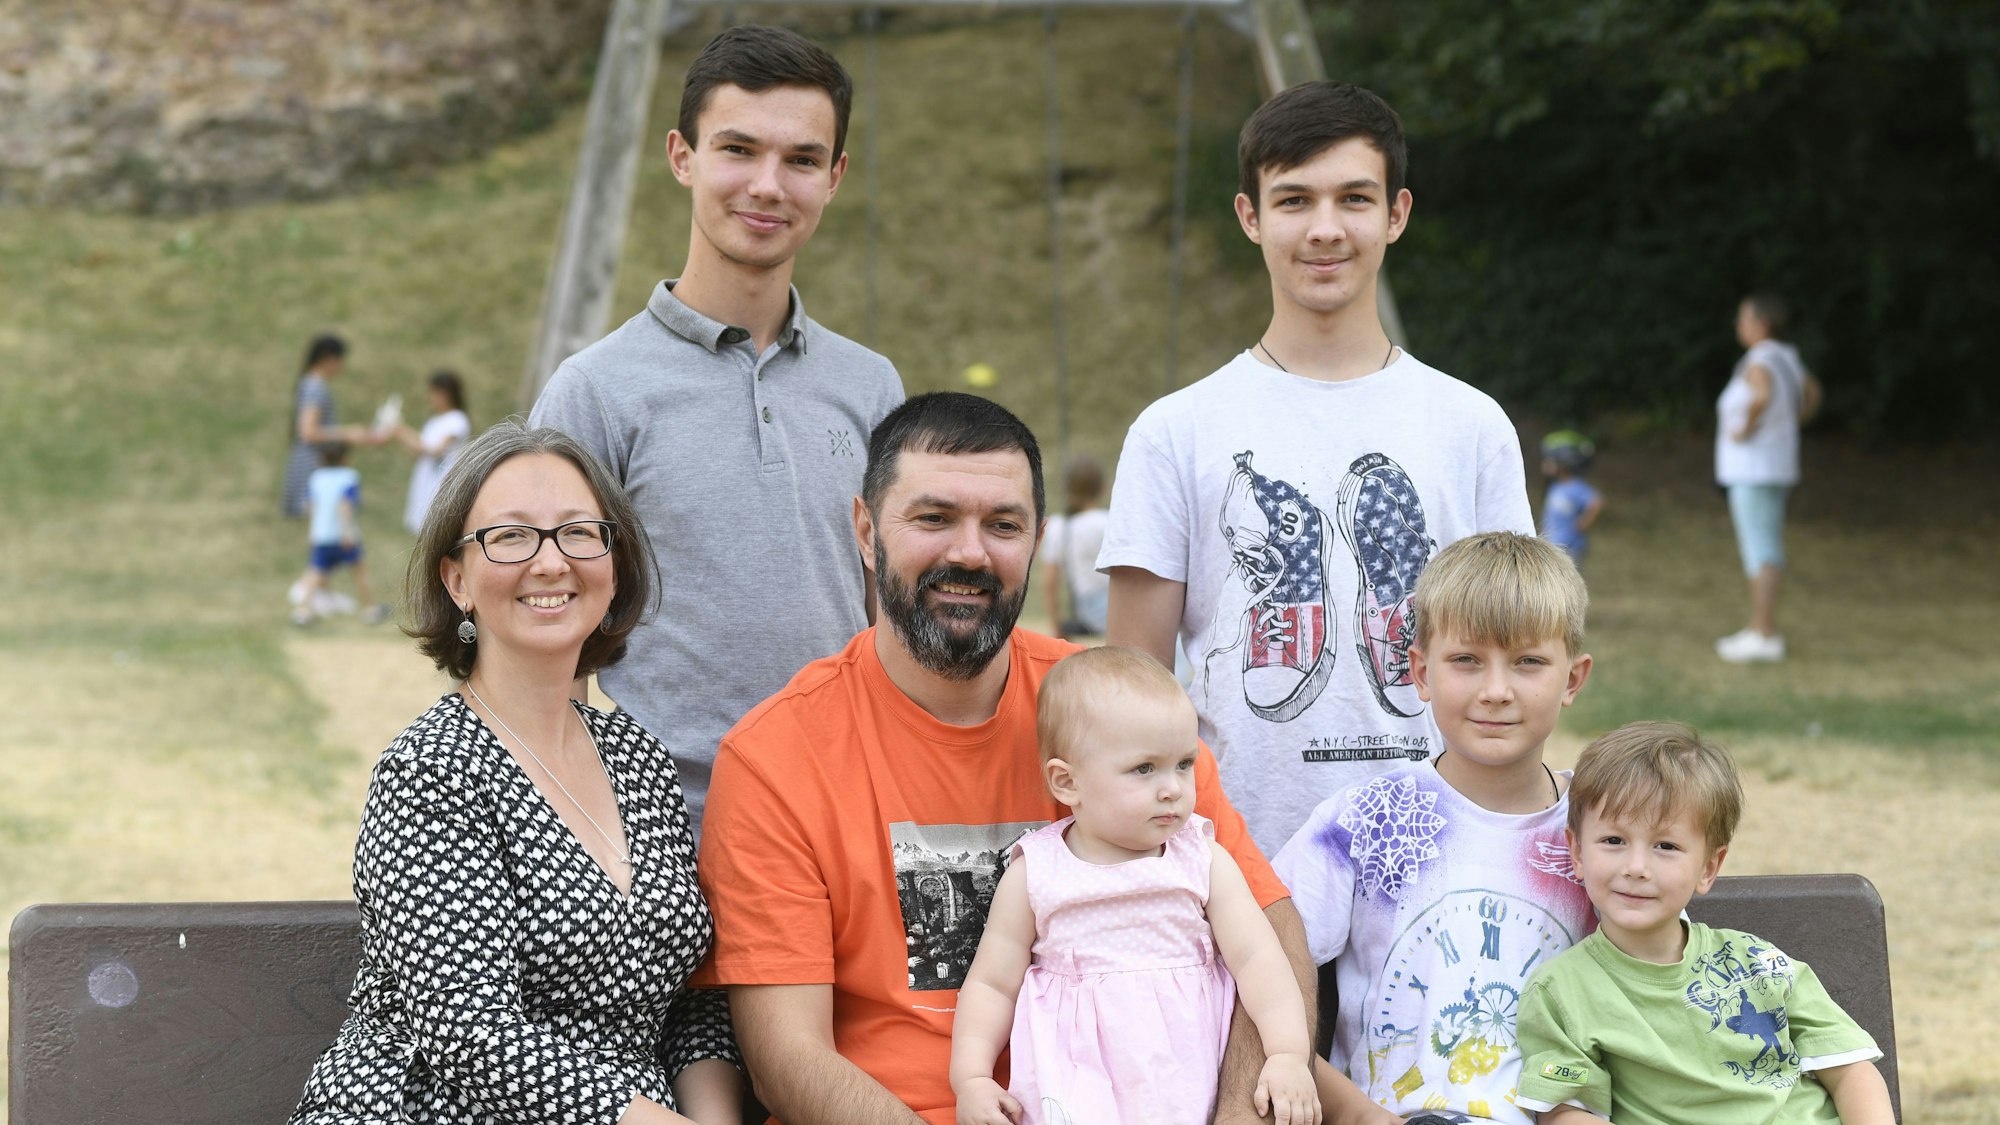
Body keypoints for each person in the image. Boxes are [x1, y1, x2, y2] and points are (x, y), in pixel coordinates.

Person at [697, 393, 1386, 1125]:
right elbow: (787, 1058)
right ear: (866, 530)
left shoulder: (1121, 717)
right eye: (933, 518)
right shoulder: (777, 757)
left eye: (1003, 524)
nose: (969, 551)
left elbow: (1270, 936)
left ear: (1037, 540)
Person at [1100, 82, 1535, 856]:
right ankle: (1291, 581)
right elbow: (1133, 690)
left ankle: (1395, 606)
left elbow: (1521, 661)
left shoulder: (1473, 427)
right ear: (1250, 217)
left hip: (1439, 861)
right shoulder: (1174, 431)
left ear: (1396, 214)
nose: (1326, 229)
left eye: (1354, 199)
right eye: (1295, 200)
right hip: (1239, 870)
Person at [289, 423, 742, 1125]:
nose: (551, 561)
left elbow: (685, 996)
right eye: (511, 536)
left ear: (613, 560)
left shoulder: (639, 758)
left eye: (578, 532)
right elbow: (473, 1035)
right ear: (457, 579)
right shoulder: (430, 772)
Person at [531, 25, 903, 833]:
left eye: (802, 159)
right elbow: (543, 642)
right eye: (738, 149)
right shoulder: (595, 391)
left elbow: (892, 619)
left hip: (841, 823)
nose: (768, 185)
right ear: (682, 157)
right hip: (664, 836)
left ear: (834, 178)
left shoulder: (871, 386)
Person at [1272, 532, 1596, 1123]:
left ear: (1572, 679)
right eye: (1466, 660)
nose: (1496, 691)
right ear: (1421, 672)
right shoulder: (1366, 822)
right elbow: (1257, 973)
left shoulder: (1604, 836)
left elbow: (1652, 995)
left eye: (1528, 661)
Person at [949, 645, 1320, 1125]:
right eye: (1144, 768)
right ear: (1067, 783)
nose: (1173, 788)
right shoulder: (1037, 870)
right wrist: (972, 1079)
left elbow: (1257, 959)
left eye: (1184, 763)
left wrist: (1287, 1053)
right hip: (1078, 1079)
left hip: (1185, 1075)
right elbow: (993, 985)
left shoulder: (1200, 858)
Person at [1515, 722, 1893, 1124]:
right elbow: (1566, 1111)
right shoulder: (1561, 993)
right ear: (1576, 851)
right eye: (1613, 841)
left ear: (1708, 867)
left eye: (1666, 846)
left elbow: (1852, 1070)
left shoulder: (1759, 963)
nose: (1636, 867)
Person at [1714, 293, 1821, 663]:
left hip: (1753, 469)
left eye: (1743, 319)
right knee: (1767, 546)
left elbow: (1761, 394)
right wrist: (1789, 424)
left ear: (1761, 324)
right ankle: (1762, 628)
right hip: (1776, 466)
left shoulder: (1759, 360)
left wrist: (1746, 427)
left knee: (1758, 550)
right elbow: (1813, 393)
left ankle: (1763, 632)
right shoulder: (1788, 357)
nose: (1738, 326)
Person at [290, 440, 389, 627]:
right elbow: (345, 505)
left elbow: (311, 506)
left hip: (321, 535)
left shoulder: (316, 477)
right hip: (343, 535)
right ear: (345, 458)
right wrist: (347, 532)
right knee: (358, 570)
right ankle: (370, 608)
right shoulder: (349, 477)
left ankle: (303, 611)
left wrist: (312, 530)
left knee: (316, 572)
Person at [282, 334, 381, 517]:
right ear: (328, 359)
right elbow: (308, 431)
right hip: (311, 464)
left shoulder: (308, 383)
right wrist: (347, 433)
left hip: (309, 463)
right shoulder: (316, 387)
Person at [1037, 455, 1110, 639]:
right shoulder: (1108, 522)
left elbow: (1050, 582)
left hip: (1086, 608)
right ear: (1103, 488)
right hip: (1115, 605)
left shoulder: (1059, 526)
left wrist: (1056, 625)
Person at [393, 368, 473, 534]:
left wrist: (401, 431)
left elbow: (434, 450)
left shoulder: (457, 420)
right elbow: (420, 449)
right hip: (425, 480)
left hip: (441, 483)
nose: (431, 398)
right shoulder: (434, 421)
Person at [1538, 431, 1602, 568]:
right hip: (1553, 545)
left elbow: (1595, 502)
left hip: (1570, 548)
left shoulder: (1576, 487)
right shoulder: (1555, 486)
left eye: (1549, 461)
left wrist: (1582, 523)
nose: (1545, 464)